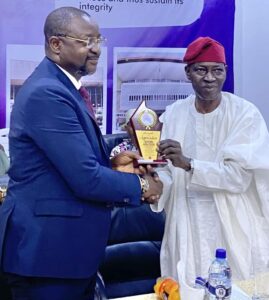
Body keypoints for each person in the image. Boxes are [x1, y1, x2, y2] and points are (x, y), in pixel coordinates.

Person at [0, 7, 162, 300]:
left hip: (66, 255)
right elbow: (85, 178)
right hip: (47, 258)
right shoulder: (47, 93)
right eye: (87, 41)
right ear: (56, 44)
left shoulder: (65, 88)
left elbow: (74, 162)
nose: (96, 49)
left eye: (99, 40)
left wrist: (114, 163)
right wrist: (142, 186)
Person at [152, 36, 269, 285]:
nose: (209, 78)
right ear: (188, 73)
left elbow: (238, 177)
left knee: (236, 287)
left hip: (232, 221)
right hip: (186, 221)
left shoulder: (244, 114)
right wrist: (150, 181)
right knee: (187, 286)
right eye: (201, 70)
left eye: (217, 70)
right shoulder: (175, 114)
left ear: (226, 71)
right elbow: (169, 174)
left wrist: (189, 164)